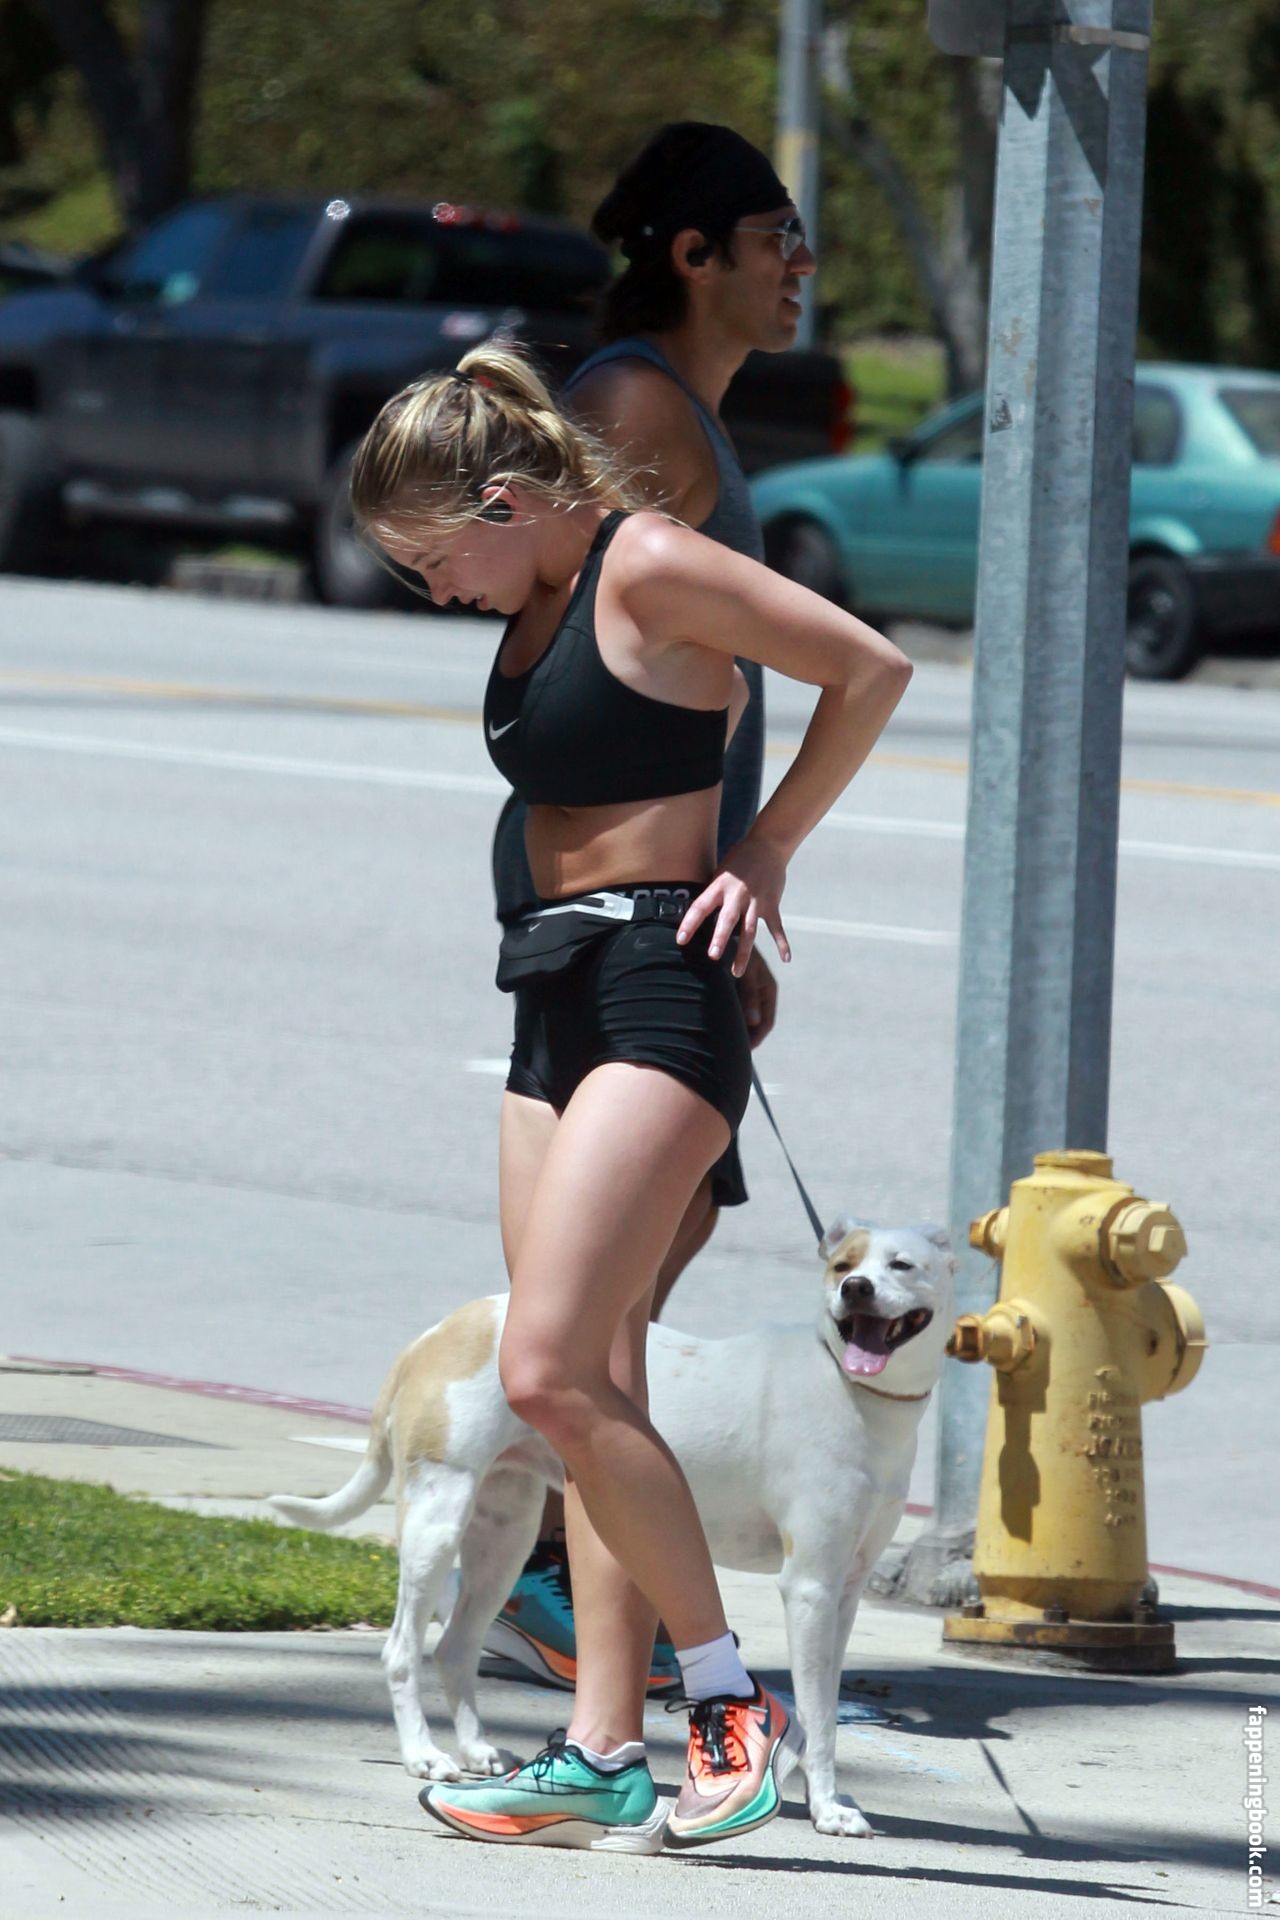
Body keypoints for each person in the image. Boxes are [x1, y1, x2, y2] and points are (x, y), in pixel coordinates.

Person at [349, 341, 911, 1851]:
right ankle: (603, 1749)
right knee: (593, 1391)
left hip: (659, 986)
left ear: (504, 501)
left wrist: (765, 850)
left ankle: (727, 1702)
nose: (434, 593)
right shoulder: (538, 596)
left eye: (432, 560)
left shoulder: (648, 563)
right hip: (548, 994)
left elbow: (870, 668)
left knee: (544, 1371)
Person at [486, 121, 818, 1694]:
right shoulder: (634, 408)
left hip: (676, 904)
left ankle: (594, 1653)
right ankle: (590, 1627)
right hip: (624, 916)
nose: (801, 267)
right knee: (599, 1330)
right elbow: (586, 674)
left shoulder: (683, 410)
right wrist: (719, 871)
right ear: (694, 256)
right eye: (775, 239)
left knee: (638, 1281)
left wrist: (735, 877)